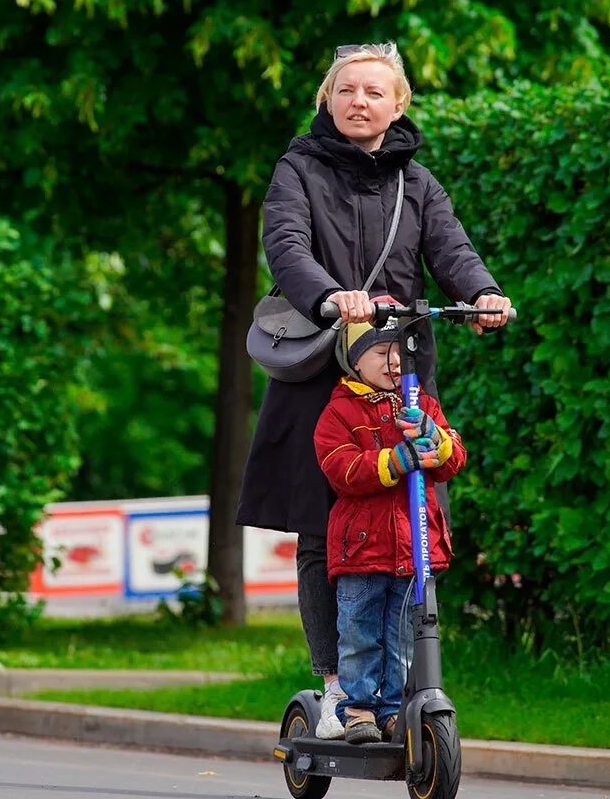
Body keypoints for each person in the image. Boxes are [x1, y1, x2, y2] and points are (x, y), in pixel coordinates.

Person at [235, 42, 512, 740]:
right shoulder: (297, 168)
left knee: (410, 523)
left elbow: (450, 248)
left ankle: (405, 683)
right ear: (327, 99)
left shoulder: (417, 182)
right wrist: (331, 296)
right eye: (347, 90)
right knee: (321, 528)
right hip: (319, 367)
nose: (360, 101)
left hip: (399, 370)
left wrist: (480, 292)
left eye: (374, 91)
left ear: (398, 105)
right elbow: (287, 244)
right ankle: (336, 690)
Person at [314, 304, 466, 742]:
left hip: (413, 547)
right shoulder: (339, 414)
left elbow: (453, 458)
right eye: (381, 351)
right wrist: (397, 459)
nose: (394, 361)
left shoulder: (422, 405)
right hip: (362, 550)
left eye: (400, 350)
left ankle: (391, 709)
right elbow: (341, 469)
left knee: (401, 639)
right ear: (353, 359)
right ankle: (358, 709)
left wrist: (431, 436)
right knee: (359, 633)